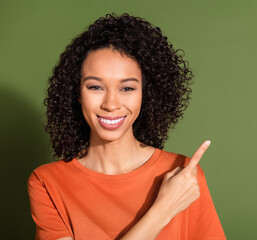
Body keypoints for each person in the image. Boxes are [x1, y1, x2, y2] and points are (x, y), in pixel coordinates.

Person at [27, 13, 226, 240]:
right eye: (95, 87)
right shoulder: (47, 183)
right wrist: (164, 208)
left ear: (146, 94)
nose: (111, 104)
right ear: (77, 93)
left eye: (127, 88)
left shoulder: (183, 175)